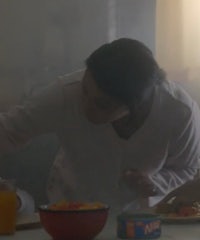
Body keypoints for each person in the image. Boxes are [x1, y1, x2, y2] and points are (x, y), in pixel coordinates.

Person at [0, 38, 200, 213]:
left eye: (101, 104)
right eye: (85, 91)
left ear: (134, 105)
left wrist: (156, 183)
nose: (85, 107)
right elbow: (8, 130)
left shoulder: (179, 112)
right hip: (70, 209)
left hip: (140, 217)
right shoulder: (65, 94)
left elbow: (187, 168)